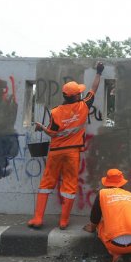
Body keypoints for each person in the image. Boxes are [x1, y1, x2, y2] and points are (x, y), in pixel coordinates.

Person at [28, 62, 104, 229]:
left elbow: (52, 133)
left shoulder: (55, 112)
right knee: (69, 185)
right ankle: (63, 221)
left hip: (55, 152)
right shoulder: (84, 106)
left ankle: (38, 219)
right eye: (79, 92)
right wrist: (98, 72)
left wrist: (42, 128)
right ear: (76, 96)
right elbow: (94, 89)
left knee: (46, 183)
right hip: (73, 153)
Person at [83, 169, 131, 262]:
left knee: (101, 225)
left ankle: (116, 255)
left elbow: (95, 216)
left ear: (106, 183)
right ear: (122, 183)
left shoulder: (102, 194)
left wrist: (92, 228)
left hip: (114, 245)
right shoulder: (130, 195)